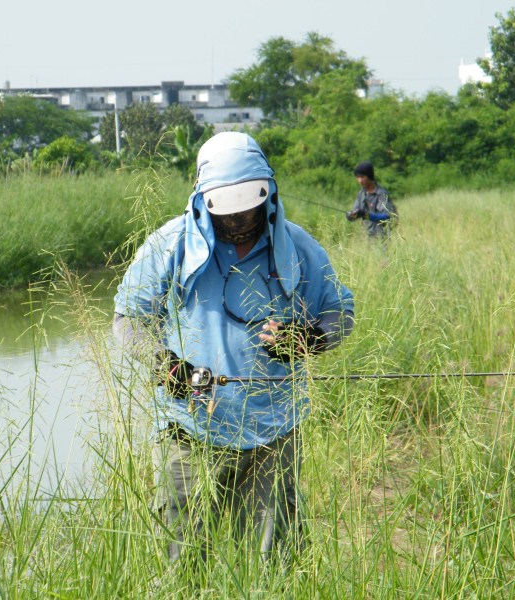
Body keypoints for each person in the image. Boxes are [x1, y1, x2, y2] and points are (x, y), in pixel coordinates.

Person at [113, 132, 354, 567]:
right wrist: (163, 363)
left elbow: (341, 311)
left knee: (271, 560)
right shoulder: (170, 244)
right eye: (229, 211)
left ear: (268, 193)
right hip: (189, 427)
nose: (240, 219)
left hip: (274, 428)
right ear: (203, 200)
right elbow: (128, 319)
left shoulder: (299, 247)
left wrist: (311, 337)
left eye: (249, 207)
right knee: (182, 557)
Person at [346, 161, 397, 239]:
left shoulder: (382, 194)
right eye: (358, 177)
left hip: (382, 237)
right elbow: (355, 213)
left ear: (369, 176)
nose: (360, 180)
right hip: (367, 237)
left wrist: (367, 215)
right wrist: (350, 215)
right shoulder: (361, 194)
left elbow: (386, 216)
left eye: (362, 177)